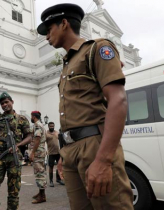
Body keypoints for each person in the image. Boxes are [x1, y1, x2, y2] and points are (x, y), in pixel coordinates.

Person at [37, 3, 133, 209]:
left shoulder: (97, 48)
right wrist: (65, 153)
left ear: (64, 24)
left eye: (49, 29)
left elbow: (118, 100)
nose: (46, 36)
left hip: (94, 146)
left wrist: (104, 160)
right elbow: (70, 112)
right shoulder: (67, 64)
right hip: (70, 149)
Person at [29, 111, 47, 204]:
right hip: (40, 151)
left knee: (40, 173)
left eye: (31, 116)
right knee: (40, 172)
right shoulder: (40, 125)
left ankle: (42, 196)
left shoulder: (37, 126)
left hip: (38, 152)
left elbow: (37, 139)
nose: (31, 118)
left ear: (34, 117)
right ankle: (40, 193)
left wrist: (32, 153)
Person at [45, 122, 64, 186]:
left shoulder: (56, 133)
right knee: (51, 167)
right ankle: (51, 181)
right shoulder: (46, 134)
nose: (52, 127)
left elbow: (61, 140)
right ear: (48, 126)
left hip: (58, 152)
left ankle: (58, 179)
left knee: (59, 166)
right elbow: (43, 141)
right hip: (51, 153)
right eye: (50, 126)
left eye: (53, 126)